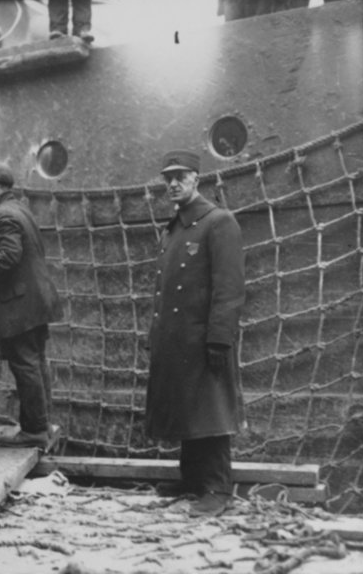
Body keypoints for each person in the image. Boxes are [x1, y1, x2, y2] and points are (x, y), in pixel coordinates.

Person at [146, 150, 246, 518]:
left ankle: (217, 489)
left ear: (197, 179)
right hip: (176, 338)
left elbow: (229, 288)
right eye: (167, 177)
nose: (173, 183)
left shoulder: (218, 222)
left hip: (204, 338)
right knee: (188, 410)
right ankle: (191, 479)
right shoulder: (176, 227)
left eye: (181, 176)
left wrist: (220, 338)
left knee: (211, 413)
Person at [0, 162, 63, 449]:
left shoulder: (3, 214)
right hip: (35, 300)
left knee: (26, 365)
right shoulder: (20, 210)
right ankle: (43, 426)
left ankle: (34, 431)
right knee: (37, 363)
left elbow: (9, 256)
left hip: (20, 304)